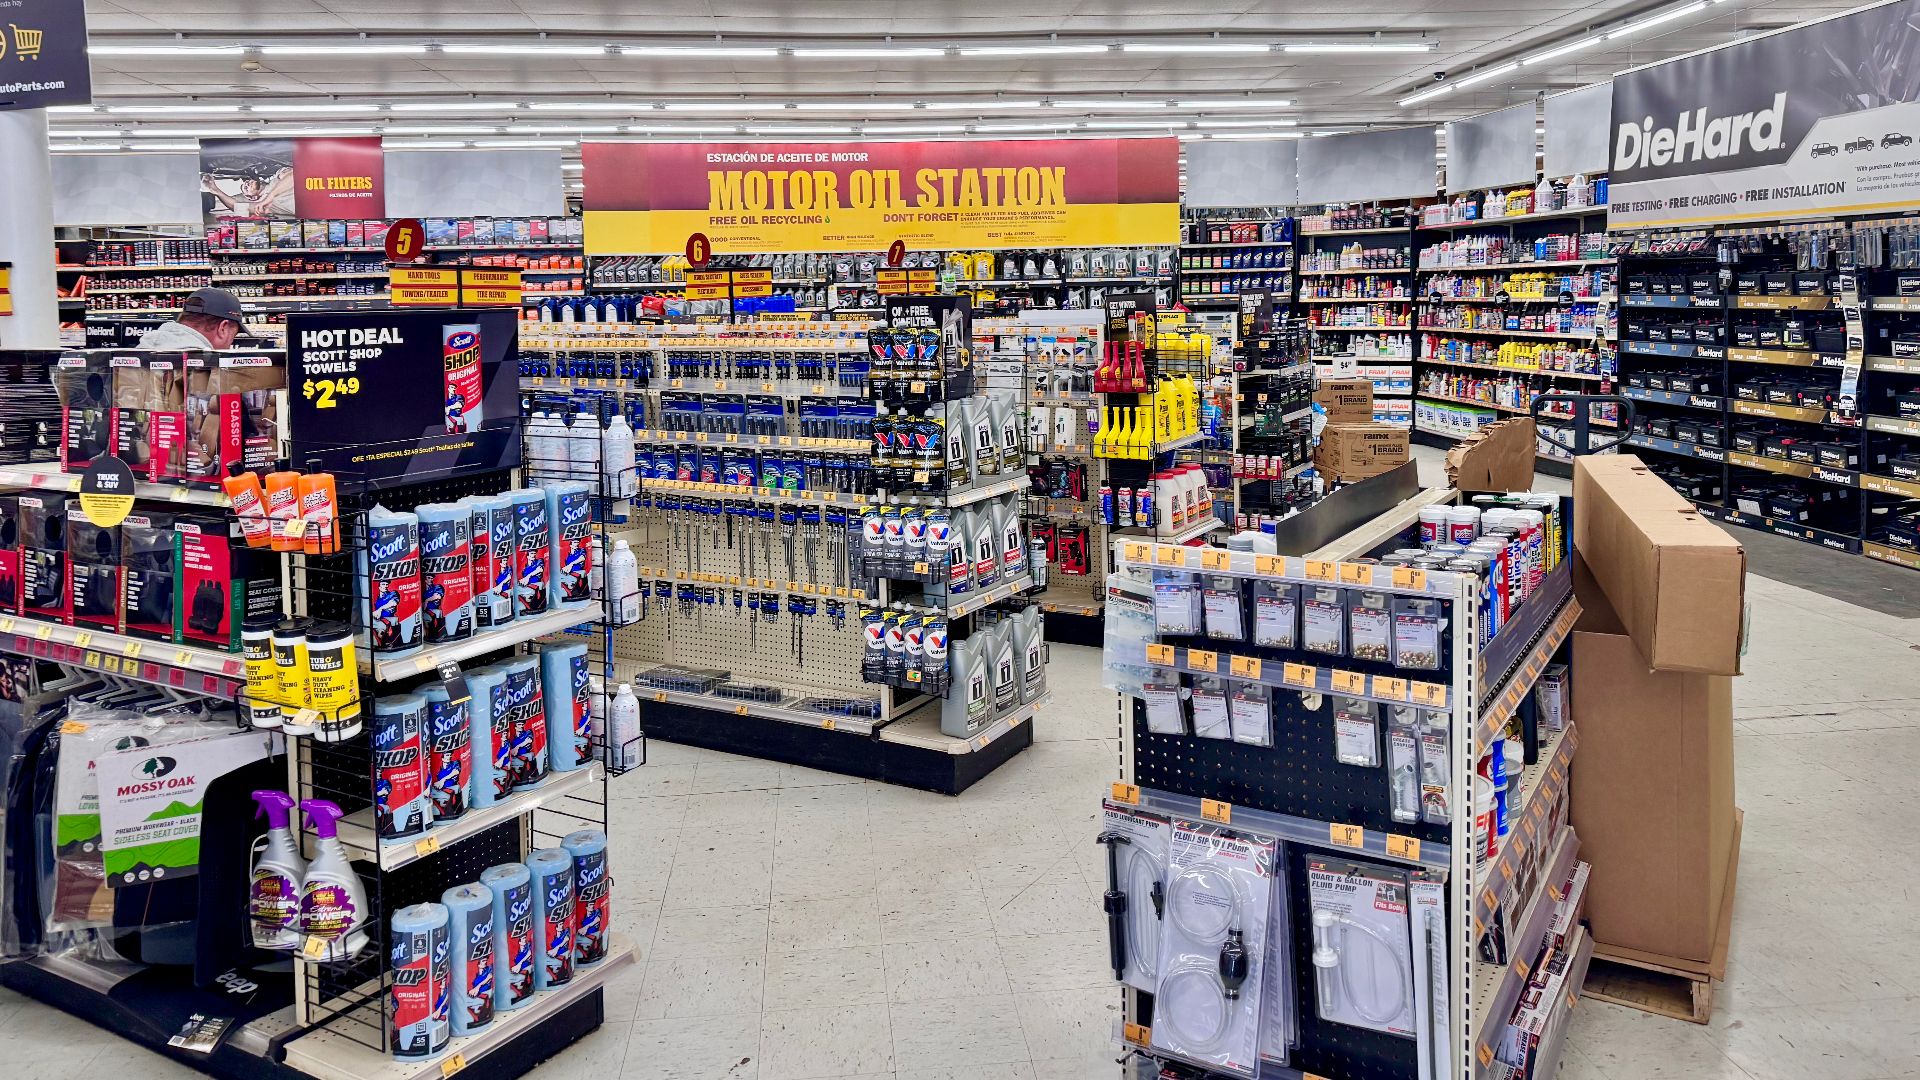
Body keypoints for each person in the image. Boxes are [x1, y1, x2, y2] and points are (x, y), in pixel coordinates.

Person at [139, 288, 247, 351]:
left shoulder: (141, 348)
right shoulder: (201, 369)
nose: (229, 346)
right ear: (222, 329)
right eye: (233, 337)